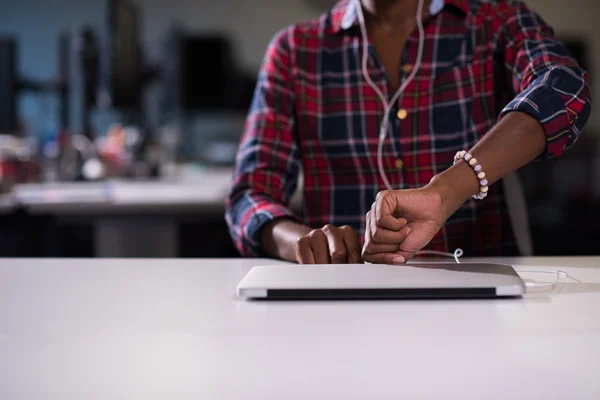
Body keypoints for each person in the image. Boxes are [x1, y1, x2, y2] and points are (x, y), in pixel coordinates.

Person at [225, 0, 592, 264]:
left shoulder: (496, 21)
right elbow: (250, 194)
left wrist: (445, 192)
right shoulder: (294, 51)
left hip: (477, 295)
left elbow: (563, 88)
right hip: (345, 303)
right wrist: (301, 241)